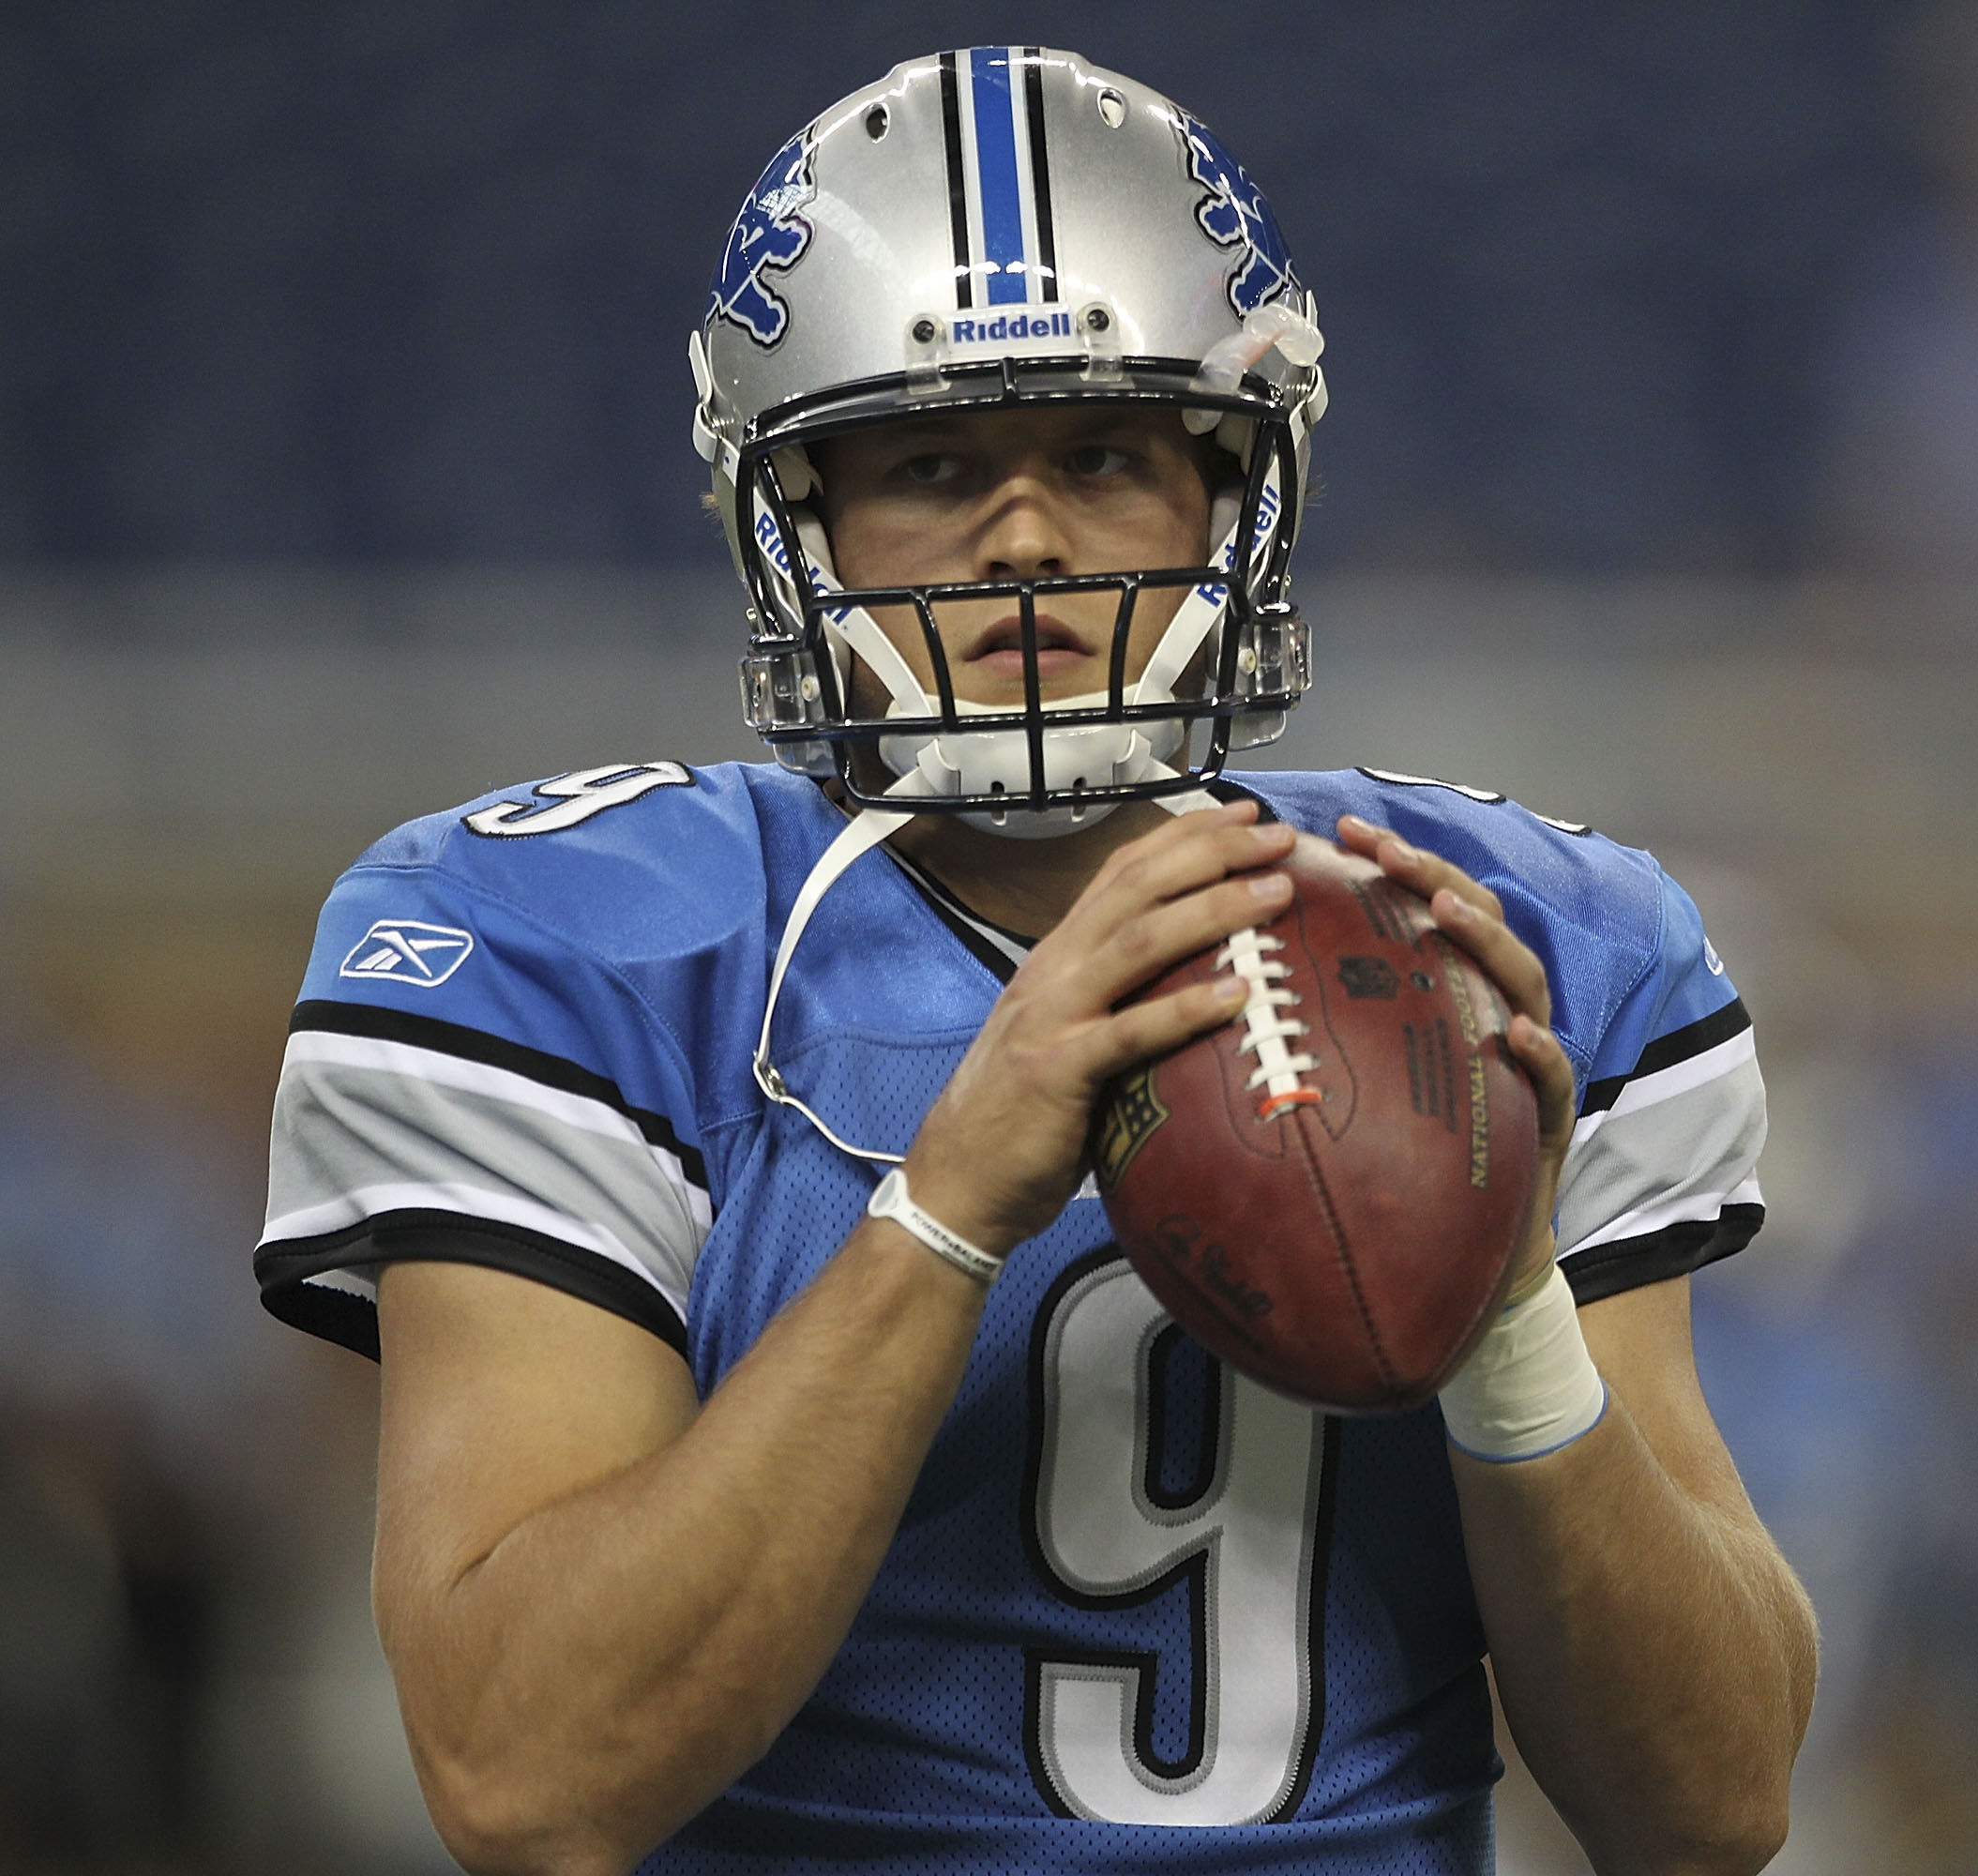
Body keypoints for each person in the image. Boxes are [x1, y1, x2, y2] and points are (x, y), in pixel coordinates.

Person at [250, 48, 1816, 1876]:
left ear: (1231, 494)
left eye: (1099, 454)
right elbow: (526, 1777)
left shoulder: (1503, 946)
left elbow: (1710, 1812)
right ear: (792, 515)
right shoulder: (579, 951)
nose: (1022, 538)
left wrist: (1512, 1302)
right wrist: (943, 1208)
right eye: (930, 462)